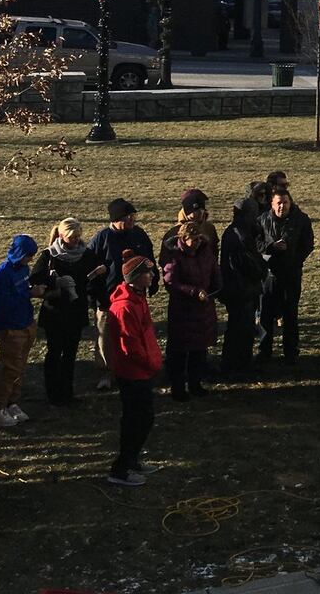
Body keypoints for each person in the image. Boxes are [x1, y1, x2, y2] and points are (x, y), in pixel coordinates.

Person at [103, 253, 162, 486]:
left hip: (143, 369)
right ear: (136, 277)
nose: (151, 275)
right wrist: (151, 363)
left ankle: (132, 460)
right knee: (136, 420)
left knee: (143, 419)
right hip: (134, 372)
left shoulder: (138, 297)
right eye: (147, 272)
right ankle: (121, 469)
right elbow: (130, 346)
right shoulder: (125, 306)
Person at [87, 199, 157, 392]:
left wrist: (154, 281)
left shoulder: (139, 234)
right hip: (108, 298)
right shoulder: (102, 239)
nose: (132, 220)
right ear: (116, 219)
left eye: (133, 217)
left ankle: (134, 367)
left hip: (135, 296)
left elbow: (148, 258)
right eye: (128, 217)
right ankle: (106, 371)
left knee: (135, 333)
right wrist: (95, 297)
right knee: (106, 335)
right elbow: (90, 269)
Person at [32, 218, 100, 407]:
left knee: (70, 354)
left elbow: (94, 277)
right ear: (61, 236)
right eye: (72, 237)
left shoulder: (86, 254)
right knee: (54, 353)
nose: (76, 240)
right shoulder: (49, 256)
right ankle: (53, 394)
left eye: (78, 236)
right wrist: (55, 284)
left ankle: (67, 393)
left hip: (75, 312)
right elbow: (35, 278)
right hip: (55, 312)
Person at [0, 234, 42, 427]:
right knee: (10, 370)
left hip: (26, 323)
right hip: (11, 327)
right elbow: (3, 305)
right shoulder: (3, 274)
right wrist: (29, 294)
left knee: (20, 368)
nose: (30, 259)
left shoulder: (23, 269)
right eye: (28, 255)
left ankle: (12, 403)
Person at [163, 219, 219, 400]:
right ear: (183, 239)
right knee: (179, 352)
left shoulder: (205, 253)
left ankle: (195, 384)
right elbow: (171, 283)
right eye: (192, 240)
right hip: (183, 311)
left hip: (203, 309)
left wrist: (218, 286)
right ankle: (178, 388)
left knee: (199, 350)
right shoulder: (175, 257)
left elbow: (214, 271)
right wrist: (194, 292)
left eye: (198, 239)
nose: (196, 243)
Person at [258, 182, 314, 365]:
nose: (282, 206)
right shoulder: (262, 220)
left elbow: (308, 244)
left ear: (290, 203)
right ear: (272, 205)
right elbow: (256, 244)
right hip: (269, 274)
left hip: (291, 273)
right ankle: (264, 350)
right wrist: (270, 247)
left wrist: (295, 259)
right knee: (266, 314)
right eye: (278, 203)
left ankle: (291, 350)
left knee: (290, 313)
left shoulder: (301, 220)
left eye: (285, 203)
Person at [218, 199, 266, 380]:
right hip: (241, 289)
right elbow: (248, 263)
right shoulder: (239, 234)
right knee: (240, 329)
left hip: (241, 288)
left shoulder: (238, 231)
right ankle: (236, 365)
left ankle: (239, 363)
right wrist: (261, 270)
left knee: (242, 328)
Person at [159, 188, 215, 267]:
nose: (199, 213)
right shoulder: (174, 233)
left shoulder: (209, 229)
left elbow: (214, 253)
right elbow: (165, 261)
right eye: (195, 210)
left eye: (201, 209)